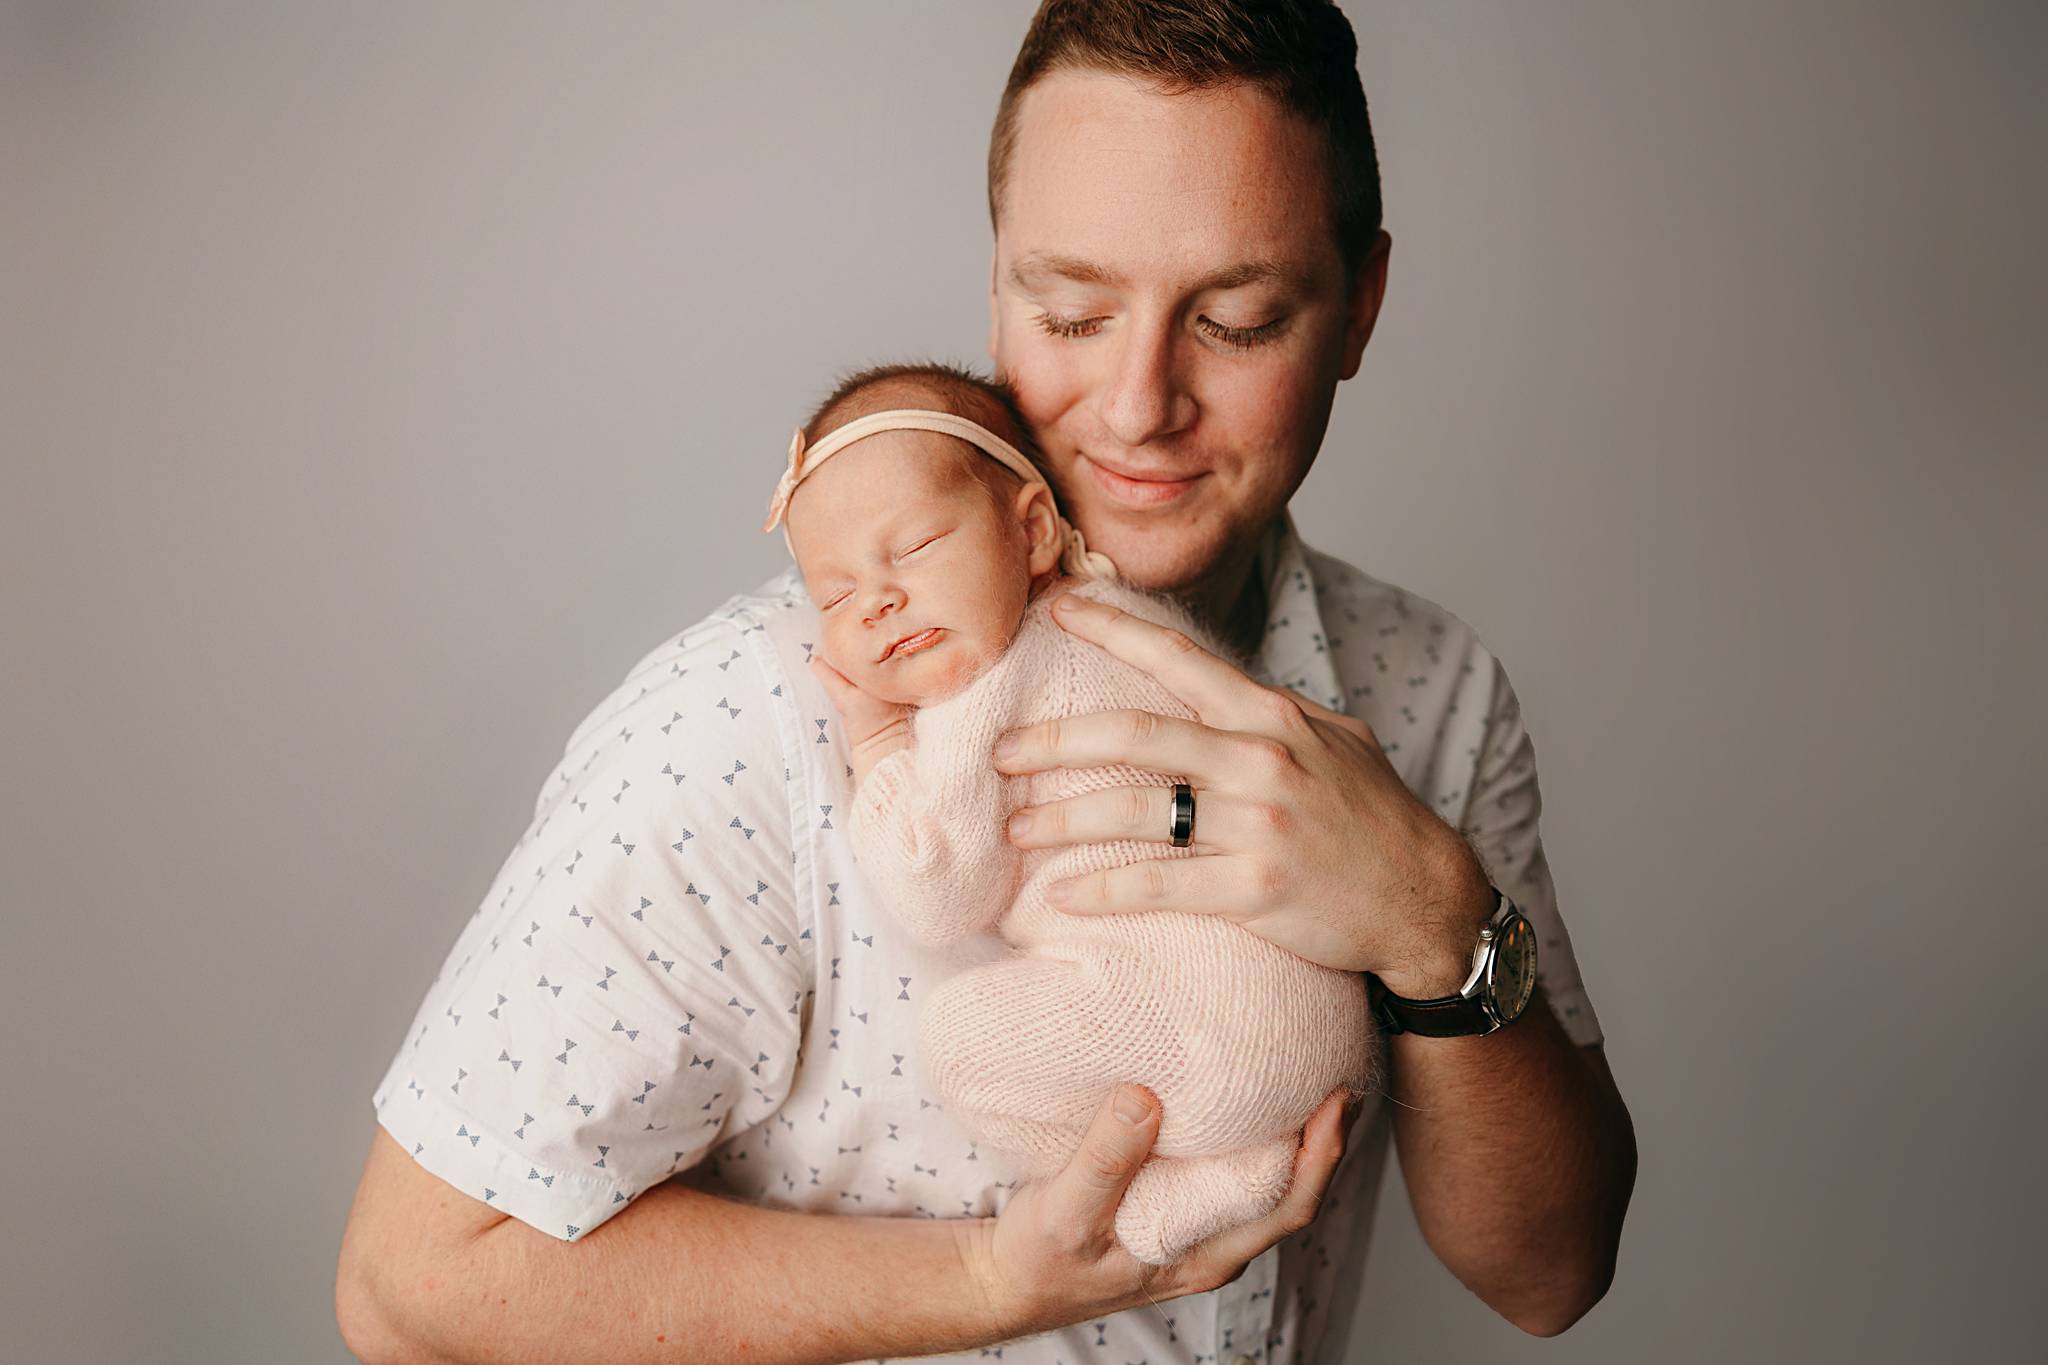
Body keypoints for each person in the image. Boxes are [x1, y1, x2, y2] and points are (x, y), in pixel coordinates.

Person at [335, 3, 1637, 1361]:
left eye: (1238, 320)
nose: (1139, 403)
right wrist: (989, 1283)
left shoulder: (1427, 690)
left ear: (1358, 306)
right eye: (1071, 310)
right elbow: (413, 1281)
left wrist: (1432, 918)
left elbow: (1547, 1275)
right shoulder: (752, 728)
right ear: (998, 283)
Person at [770, 362, 1377, 1268]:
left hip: (1219, 1035)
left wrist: (879, 745)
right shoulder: (1122, 620)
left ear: (1034, 530)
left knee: (961, 1041)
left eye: (916, 547)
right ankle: (1251, 1151)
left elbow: (939, 894)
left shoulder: (988, 693)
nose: (879, 600)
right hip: (1325, 1015)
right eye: (836, 596)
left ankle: (1196, 1184)